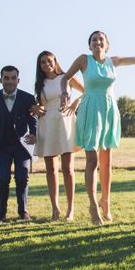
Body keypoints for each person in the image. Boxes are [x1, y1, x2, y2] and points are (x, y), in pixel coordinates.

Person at [61, 30, 135, 225]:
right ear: (90, 44)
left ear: (106, 44)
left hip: (109, 110)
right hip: (90, 110)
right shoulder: (84, 60)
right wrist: (64, 95)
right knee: (92, 160)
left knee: (107, 161)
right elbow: (65, 78)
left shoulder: (113, 61)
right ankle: (93, 207)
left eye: (101, 39)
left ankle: (105, 202)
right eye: (94, 40)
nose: (97, 42)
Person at [31, 51, 84, 221]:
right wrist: (35, 109)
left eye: (49, 61)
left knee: (68, 168)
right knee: (51, 169)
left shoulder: (66, 77)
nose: (47, 64)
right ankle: (55, 209)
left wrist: (76, 102)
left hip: (66, 121)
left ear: (55, 61)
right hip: (47, 123)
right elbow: (39, 106)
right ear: (39, 66)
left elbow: (87, 91)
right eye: (43, 62)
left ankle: (70, 209)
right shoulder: (40, 84)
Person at [0, 66, 38, 222]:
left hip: (22, 146)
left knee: (22, 177)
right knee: (3, 178)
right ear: (1, 80)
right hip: (2, 147)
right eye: (6, 78)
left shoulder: (27, 98)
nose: (10, 81)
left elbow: (33, 120)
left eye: (13, 78)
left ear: (18, 80)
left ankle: (23, 211)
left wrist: (34, 134)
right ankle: (1, 213)